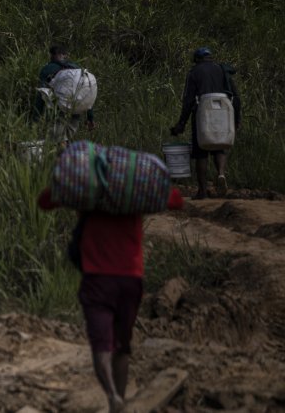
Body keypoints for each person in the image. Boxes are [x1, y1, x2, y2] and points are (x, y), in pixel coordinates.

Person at [38, 184, 185, 413]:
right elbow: (176, 200)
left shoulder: (86, 190)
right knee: (122, 346)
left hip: (97, 280)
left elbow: (45, 201)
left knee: (101, 345)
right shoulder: (132, 190)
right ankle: (120, 400)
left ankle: (111, 395)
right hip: (130, 280)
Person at [169, 47, 241, 199]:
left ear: (196, 59)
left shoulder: (194, 72)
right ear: (210, 58)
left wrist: (181, 123)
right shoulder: (222, 70)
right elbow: (236, 97)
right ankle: (221, 174)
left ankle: (202, 191)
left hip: (203, 110)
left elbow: (188, 100)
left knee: (201, 151)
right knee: (220, 145)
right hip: (224, 110)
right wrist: (236, 120)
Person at [36, 45, 96, 141]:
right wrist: (90, 117)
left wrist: (36, 117)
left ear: (52, 55)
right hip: (76, 110)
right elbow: (87, 93)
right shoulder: (77, 69)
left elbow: (41, 93)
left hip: (58, 111)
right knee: (66, 140)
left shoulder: (47, 69)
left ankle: (59, 154)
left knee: (55, 141)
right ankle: (67, 154)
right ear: (66, 55)